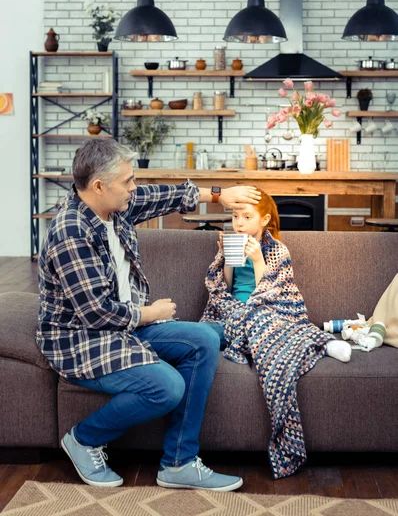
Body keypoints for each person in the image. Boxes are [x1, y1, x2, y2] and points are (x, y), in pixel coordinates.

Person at [36, 138, 262, 490]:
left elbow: (164, 195)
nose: (133, 187)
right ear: (99, 186)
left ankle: (178, 463)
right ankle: (83, 440)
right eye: (127, 181)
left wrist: (219, 194)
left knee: (203, 338)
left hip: (125, 328)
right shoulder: (70, 232)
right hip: (83, 339)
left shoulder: (113, 206)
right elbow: (95, 313)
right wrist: (150, 313)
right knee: (167, 386)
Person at [200, 189, 351, 479]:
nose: (239, 224)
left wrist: (257, 260)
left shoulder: (277, 250)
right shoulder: (231, 244)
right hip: (233, 315)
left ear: (264, 219)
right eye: (234, 217)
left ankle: (322, 341)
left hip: (268, 314)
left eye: (247, 217)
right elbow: (224, 289)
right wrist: (227, 258)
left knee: (272, 324)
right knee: (203, 332)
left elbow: (272, 293)